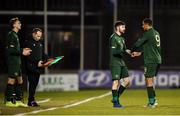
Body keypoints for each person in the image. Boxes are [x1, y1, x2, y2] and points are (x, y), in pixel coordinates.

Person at [131, 18, 162, 108]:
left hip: (151, 60)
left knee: (148, 81)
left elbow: (138, 44)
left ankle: (151, 103)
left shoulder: (148, 33)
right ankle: (154, 100)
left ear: (147, 25)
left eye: (143, 24)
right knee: (150, 80)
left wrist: (131, 50)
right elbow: (152, 48)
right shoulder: (156, 33)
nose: (142, 26)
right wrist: (140, 53)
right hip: (157, 59)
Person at [5, 17, 32, 107]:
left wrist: (22, 49)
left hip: (17, 61)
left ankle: (19, 100)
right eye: (18, 23)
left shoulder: (15, 35)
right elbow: (10, 50)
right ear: (14, 25)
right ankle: (8, 100)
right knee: (11, 80)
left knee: (20, 80)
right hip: (13, 61)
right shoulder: (11, 35)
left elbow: (15, 49)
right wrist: (22, 52)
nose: (20, 24)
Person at [23, 28, 48, 107]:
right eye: (37, 36)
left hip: (38, 67)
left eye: (40, 36)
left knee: (35, 84)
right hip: (31, 67)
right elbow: (27, 56)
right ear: (33, 34)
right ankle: (30, 101)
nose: (39, 38)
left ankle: (32, 100)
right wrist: (37, 62)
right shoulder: (28, 42)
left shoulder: (40, 42)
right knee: (32, 83)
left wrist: (47, 59)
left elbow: (42, 53)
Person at [109, 21, 131, 108]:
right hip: (115, 62)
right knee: (116, 82)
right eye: (123, 27)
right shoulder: (113, 37)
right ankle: (115, 103)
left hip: (121, 62)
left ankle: (116, 97)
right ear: (118, 27)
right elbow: (114, 52)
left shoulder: (122, 39)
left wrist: (131, 52)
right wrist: (124, 51)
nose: (124, 29)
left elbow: (124, 50)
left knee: (127, 82)